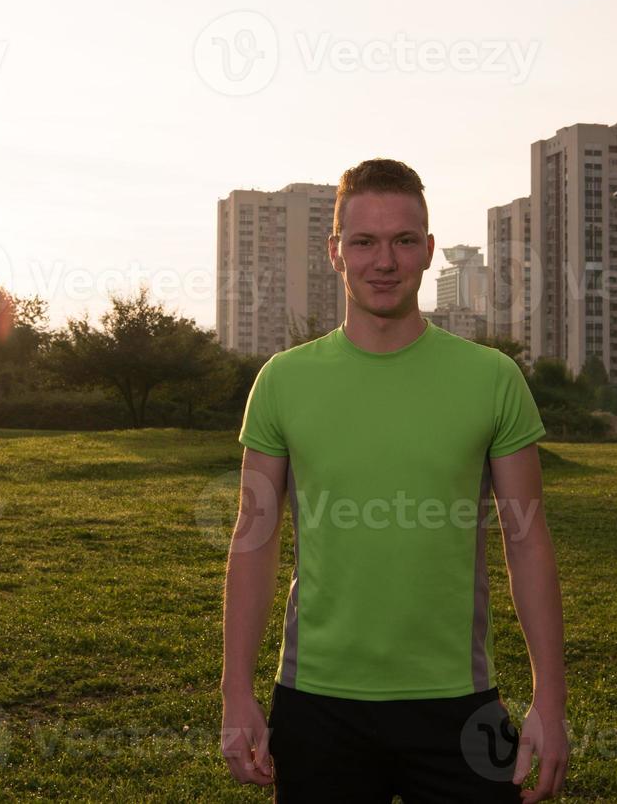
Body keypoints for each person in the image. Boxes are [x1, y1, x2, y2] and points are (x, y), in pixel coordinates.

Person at [220, 159, 570, 802]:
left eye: (404, 240)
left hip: (461, 703)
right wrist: (235, 692)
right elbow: (254, 538)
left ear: (429, 250)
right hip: (317, 701)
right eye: (364, 242)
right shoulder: (283, 381)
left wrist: (551, 696)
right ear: (336, 252)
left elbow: (527, 541)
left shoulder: (491, 379)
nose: (384, 260)